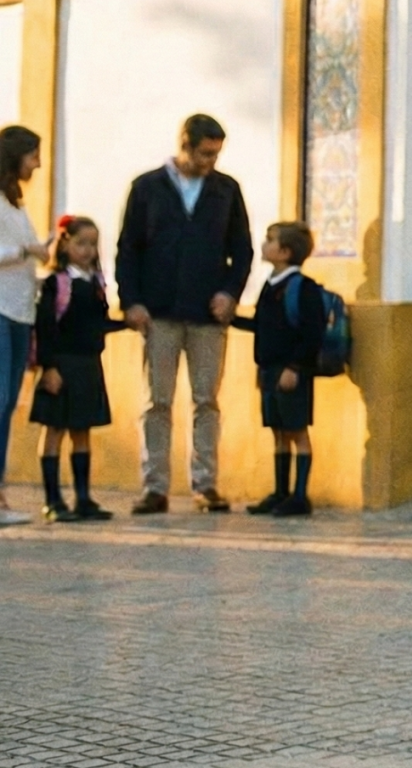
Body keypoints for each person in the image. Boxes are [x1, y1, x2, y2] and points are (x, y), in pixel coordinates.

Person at [115, 114, 254, 515]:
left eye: (216, 154)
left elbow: (241, 250)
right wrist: (131, 300)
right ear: (185, 146)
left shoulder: (226, 190)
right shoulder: (147, 187)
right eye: (205, 153)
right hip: (159, 311)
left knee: (206, 401)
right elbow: (129, 248)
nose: (211, 162)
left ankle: (205, 484)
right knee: (157, 401)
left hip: (208, 314)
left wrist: (230, 292)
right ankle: (154, 486)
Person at [29, 216, 124, 523]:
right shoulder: (55, 282)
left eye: (92, 244)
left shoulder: (96, 283)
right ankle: (53, 500)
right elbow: (45, 327)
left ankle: (83, 498)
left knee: (82, 430)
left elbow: (97, 324)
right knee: (54, 428)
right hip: (61, 364)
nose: (87, 250)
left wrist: (127, 324)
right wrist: (49, 367)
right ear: (65, 244)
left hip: (88, 364)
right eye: (81, 243)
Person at [231, 222, 327, 517]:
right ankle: (280, 491)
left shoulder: (303, 288)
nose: (264, 245)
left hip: (291, 372)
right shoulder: (270, 285)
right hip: (269, 369)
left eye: (270, 240)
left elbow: (312, 333)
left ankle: (300, 495)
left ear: (285, 252)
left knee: (297, 431)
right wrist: (232, 319)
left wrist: (295, 367)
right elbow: (263, 325)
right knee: (279, 431)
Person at [0, 125, 56, 526]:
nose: (37, 163)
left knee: (7, 404)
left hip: (21, 311)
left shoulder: (16, 204)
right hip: (0, 310)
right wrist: (26, 250)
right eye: (33, 155)